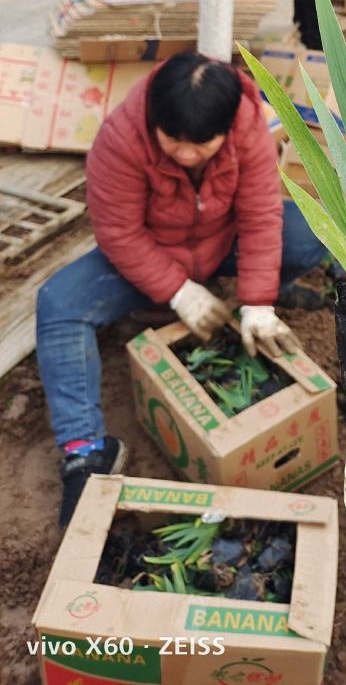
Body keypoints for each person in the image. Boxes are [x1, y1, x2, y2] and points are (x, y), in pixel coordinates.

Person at [36, 50, 328, 527]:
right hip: (152, 260)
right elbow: (119, 236)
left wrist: (256, 302)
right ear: (154, 120)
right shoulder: (120, 139)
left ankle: (263, 300)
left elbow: (258, 217)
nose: (187, 155)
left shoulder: (248, 127)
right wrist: (179, 292)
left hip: (219, 245)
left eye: (203, 144)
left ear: (227, 127)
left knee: (311, 231)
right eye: (173, 141)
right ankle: (84, 451)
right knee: (59, 304)